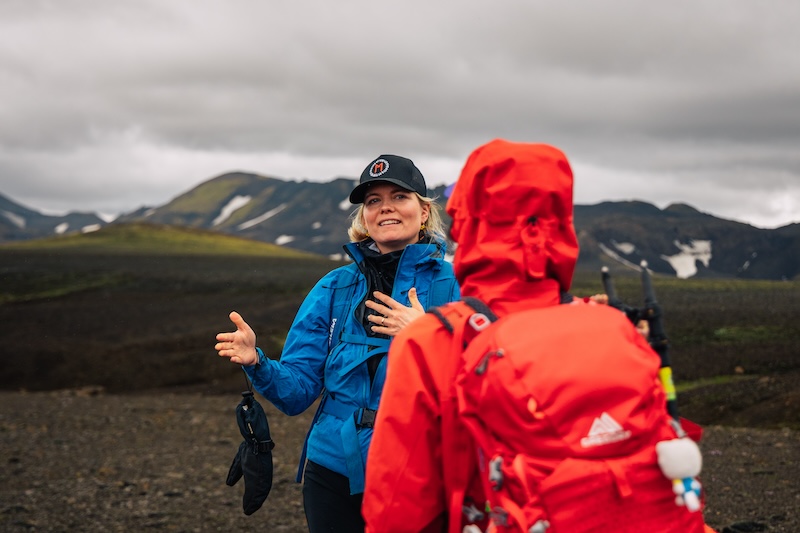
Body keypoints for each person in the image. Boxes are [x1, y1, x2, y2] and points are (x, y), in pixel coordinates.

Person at [362, 140, 714, 532]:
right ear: (562, 222)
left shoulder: (433, 340)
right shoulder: (611, 325)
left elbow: (396, 507)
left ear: (467, 220)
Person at [215, 154, 459, 533]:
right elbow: (298, 392)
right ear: (364, 217)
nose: (386, 208)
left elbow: (490, 377)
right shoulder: (334, 286)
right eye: (373, 201)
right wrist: (257, 362)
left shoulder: (459, 284)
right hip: (333, 468)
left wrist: (427, 335)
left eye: (399, 196)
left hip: (425, 466)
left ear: (424, 212)